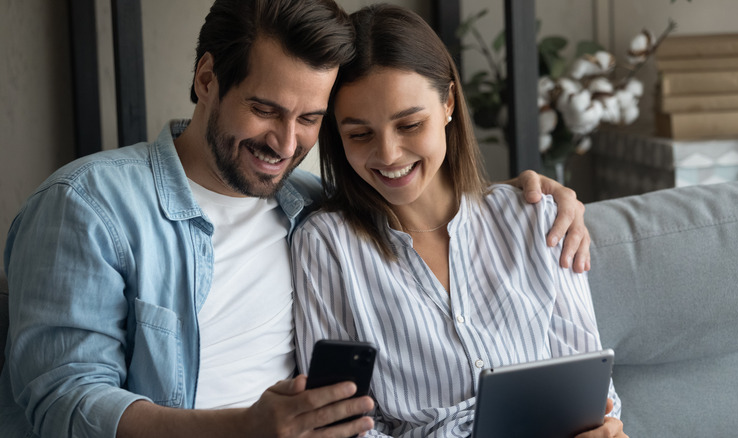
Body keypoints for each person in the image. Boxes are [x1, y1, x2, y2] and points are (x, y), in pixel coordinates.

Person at [1, 1, 590, 437]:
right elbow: (62, 403)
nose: (285, 145)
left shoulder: (306, 205)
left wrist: (523, 199)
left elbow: (422, 198)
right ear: (206, 79)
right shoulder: (90, 204)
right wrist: (244, 429)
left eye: (309, 119)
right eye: (265, 110)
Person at [292, 4, 625, 438]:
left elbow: (593, 390)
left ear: (448, 102)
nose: (388, 154)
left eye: (410, 124)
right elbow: (340, 426)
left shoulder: (538, 218)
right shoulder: (326, 245)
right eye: (359, 134)